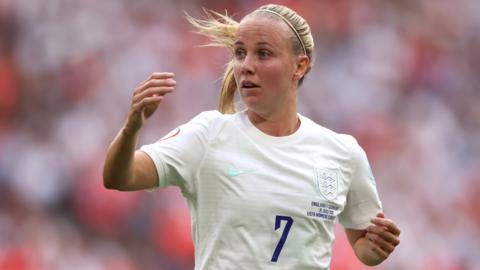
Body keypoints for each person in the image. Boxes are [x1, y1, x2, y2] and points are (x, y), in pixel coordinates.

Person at [103, 3, 400, 269]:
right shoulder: (208, 135)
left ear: (300, 65)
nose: (246, 66)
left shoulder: (342, 152)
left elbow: (364, 246)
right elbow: (119, 177)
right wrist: (132, 128)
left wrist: (376, 247)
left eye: (264, 53)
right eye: (240, 53)